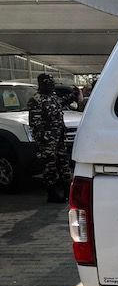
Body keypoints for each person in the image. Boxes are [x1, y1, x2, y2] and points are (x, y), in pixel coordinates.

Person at [27, 73, 71, 203]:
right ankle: (52, 194)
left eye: (52, 82)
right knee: (49, 166)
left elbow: (61, 104)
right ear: (41, 84)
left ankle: (67, 190)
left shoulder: (53, 97)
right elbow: (35, 123)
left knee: (64, 163)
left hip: (59, 137)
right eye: (48, 82)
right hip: (47, 140)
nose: (51, 84)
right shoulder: (36, 100)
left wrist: (72, 95)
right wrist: (43, 139)